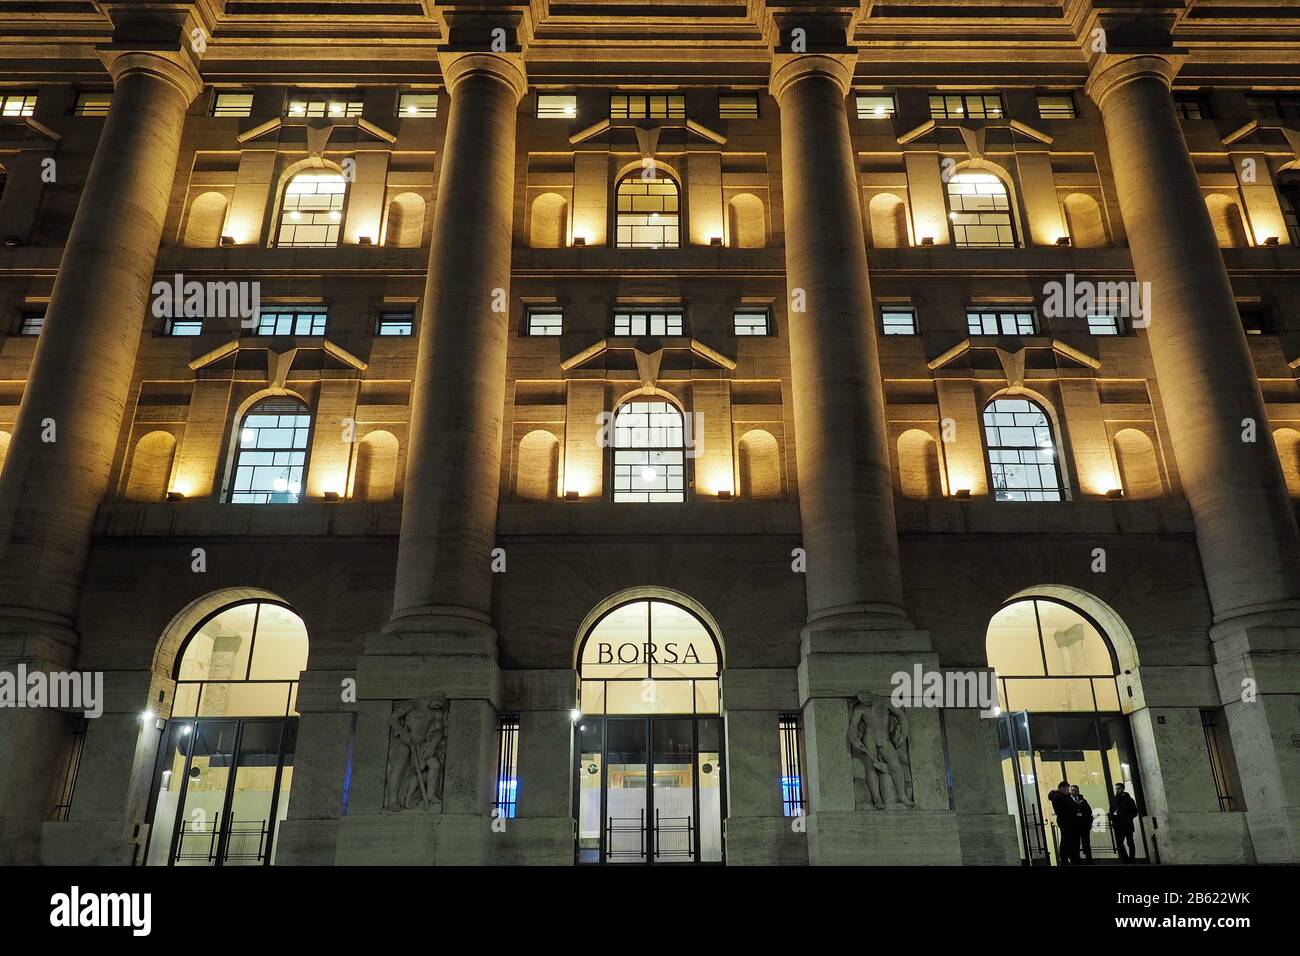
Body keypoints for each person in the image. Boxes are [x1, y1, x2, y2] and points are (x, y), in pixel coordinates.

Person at [1047, 781, 1078, 864]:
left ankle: (1069, 857)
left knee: (1068, 840)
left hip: (1067, 820)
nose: (1068, 790)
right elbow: (1067, 807)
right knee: (1066, 840)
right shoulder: (1058, 797)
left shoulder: (1064, 796)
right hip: (1065, 821)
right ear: (1062, 788)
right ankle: (1064, 858)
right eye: (1067, 788)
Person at [1109, 782, 1139, 863]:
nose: (1117, 790)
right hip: (1118, 825)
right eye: (1116, 788)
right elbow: (1111, 811)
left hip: (1127, 825)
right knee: (1119, 843)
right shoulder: (1114, 799)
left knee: (1130, 842)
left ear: (1123, 789)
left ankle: (1132, 859)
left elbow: (1134, 812)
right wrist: (1113, 818)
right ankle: (1126, 859)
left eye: (1118, 788)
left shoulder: (1129, 800)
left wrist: (1126, 818)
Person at [1070, 784, 1094, 863]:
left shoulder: (1083, 801)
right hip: (1074, 827)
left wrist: (1089, 823)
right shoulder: (1068, 801)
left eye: (1075, 791)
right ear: (1070, 791)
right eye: (1072, 790)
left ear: (1078, 792)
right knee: (1075, 844)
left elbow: (1089, 812)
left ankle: (1089, 861)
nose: (1074, 792)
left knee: (1086, 844)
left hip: (1084, 826)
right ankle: (1077, 861)